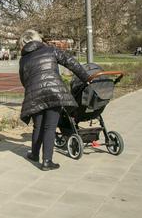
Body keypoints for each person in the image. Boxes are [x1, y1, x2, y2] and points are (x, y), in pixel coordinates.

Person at [19, 29, 91, 171]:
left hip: (34, 96)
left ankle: (34, 154)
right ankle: (47, 161)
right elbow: (71, 62)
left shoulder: (23, 60)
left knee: (37, 126)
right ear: (38, 39)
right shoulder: (50, 50)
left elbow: (24, 80)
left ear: (23, 44)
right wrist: (86, 79)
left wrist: (34, 89)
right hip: (54, 92)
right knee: (50, 127)